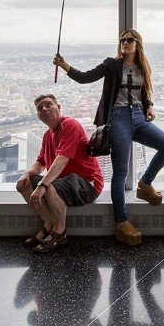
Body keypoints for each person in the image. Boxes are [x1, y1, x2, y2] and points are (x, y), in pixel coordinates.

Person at [54, 28, 164, 246]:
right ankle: (122, 222)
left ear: (138, 43)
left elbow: (145, 93)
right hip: (118, 117)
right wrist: (65, 66)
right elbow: (85, 77)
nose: (124, 43)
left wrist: (149, 106)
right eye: (122, 40)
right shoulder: (112, 64)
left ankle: (145, 183)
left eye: (129, 40)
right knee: (120, 172)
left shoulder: (142, 67)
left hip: (138, 116)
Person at [16, 94, 104, 252]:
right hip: (63, 183)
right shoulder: (47, 135)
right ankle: (49, 223)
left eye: (48, 105)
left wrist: (42, 185)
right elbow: (41, 163)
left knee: (49, 186)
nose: (44, 109)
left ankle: (60, 232)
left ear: (59, 107)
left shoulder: (69, 124)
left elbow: (62, 159)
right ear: (38, 115)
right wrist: (26, 174)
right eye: (40, 108)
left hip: (87, 184)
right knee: (24, 184)